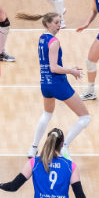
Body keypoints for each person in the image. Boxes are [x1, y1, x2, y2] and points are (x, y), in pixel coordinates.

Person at [15, 11, 91, 159]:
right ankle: (65, 146)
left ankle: (33, 148)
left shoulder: (42, 38)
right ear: (48, 24)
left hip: (45, 84)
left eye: (60, 22)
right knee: (85, 118)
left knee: (47, 114)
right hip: (58, 84)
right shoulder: (54, 42)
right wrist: (71, 70)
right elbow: (54, 67)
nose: (59, 25)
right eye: (56, 22)